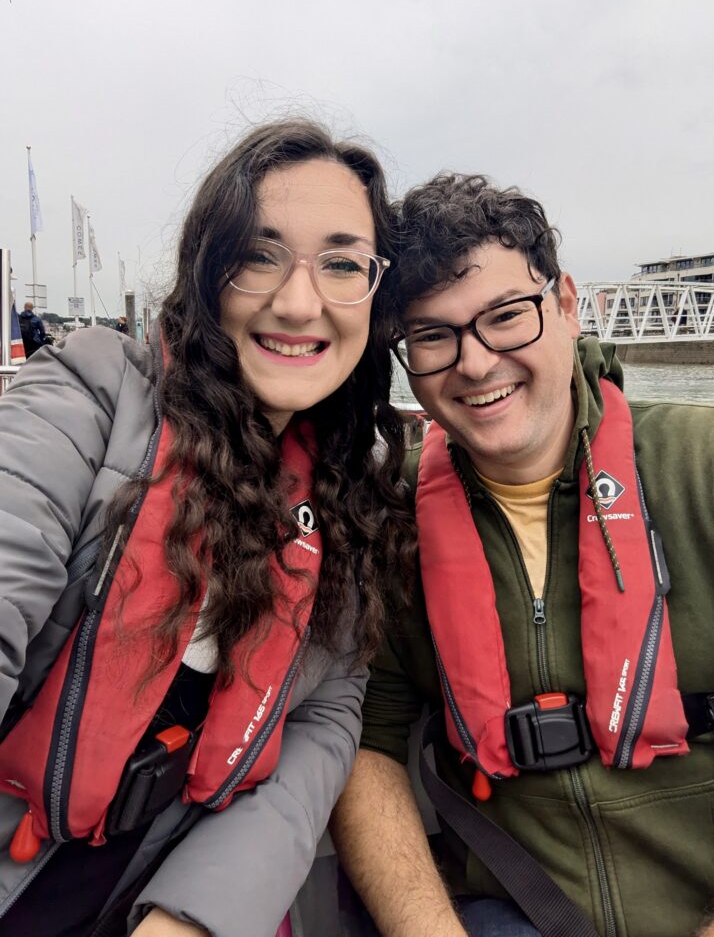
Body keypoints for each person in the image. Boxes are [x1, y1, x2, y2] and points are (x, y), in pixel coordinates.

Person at [0, 119, 414, 937]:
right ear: (207, 269)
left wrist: (197, 917)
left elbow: (322, 719)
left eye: (340, 264)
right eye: (260, 255)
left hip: (156, 878)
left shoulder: (351, 492)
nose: (299, 302)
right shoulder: (84, 401)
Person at [331, 173, 714, 937]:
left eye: (506, 316)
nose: (475, 363)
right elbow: (366, 745)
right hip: (514, 907)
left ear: (566, 305)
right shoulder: (388, 515)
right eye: (434, 336)